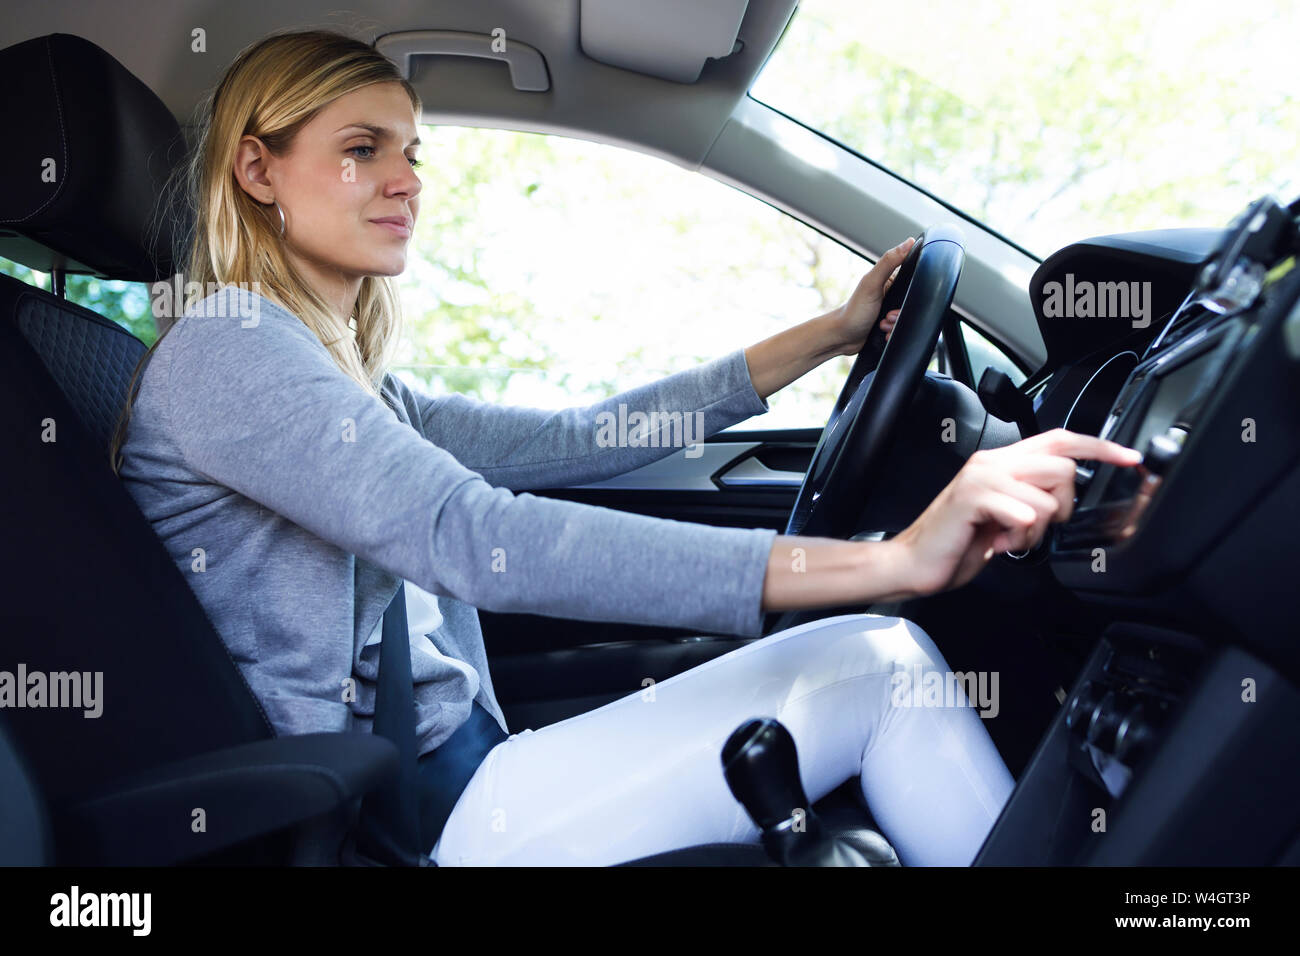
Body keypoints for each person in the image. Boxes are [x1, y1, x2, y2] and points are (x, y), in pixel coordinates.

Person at [112, 29, 1143, 867]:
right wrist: (891, 559)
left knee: (874, 662)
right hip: (404, 820)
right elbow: (476, 537)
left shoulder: (347, 380)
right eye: (361, 147)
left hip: (461, 774)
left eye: (412, 151)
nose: (405, 180)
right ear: (257, 167)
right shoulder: (229, 349)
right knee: (877, 662)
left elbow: (585, 438)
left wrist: (829, 333)